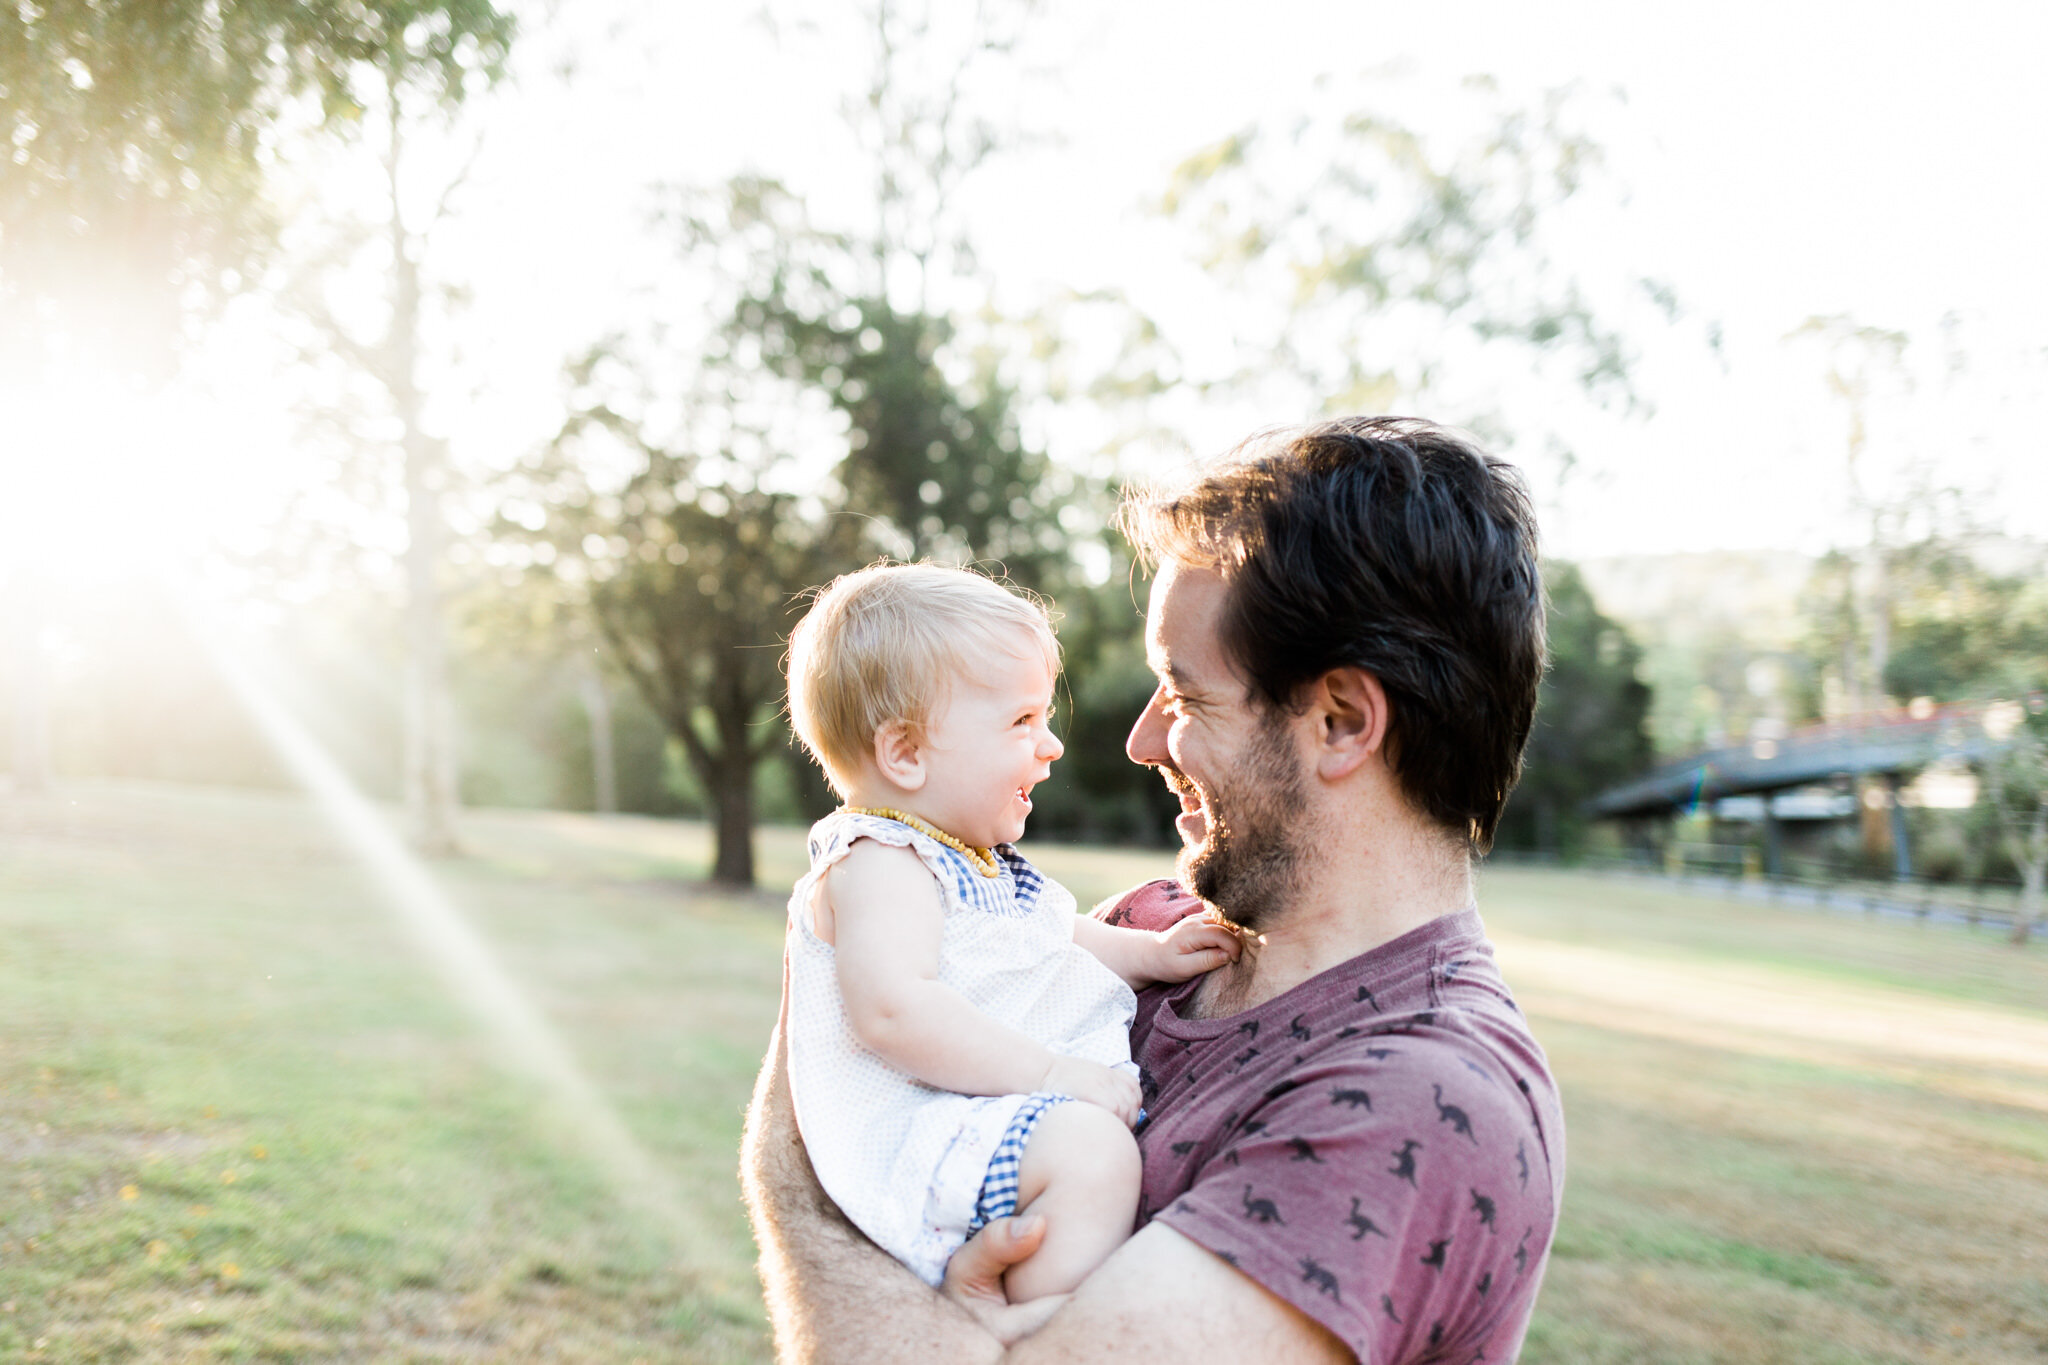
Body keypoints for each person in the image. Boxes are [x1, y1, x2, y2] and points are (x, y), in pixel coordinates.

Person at [743, 417, 1566, 1364]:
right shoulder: (1150, 926)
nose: (1138, 743)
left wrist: (796, 1165)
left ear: (1341, 721)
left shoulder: (1417, 1099)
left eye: (1182, 696)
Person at [778, 564, 1244, 1299]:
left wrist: (1147, 954)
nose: (1050, 743)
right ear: (904, 752)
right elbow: (892, 1010)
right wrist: (1055, 1075)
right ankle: (1035, 1326)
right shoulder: (881, 862)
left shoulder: (971, 863)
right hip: (917, 1136)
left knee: (1093, 1151)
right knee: (1095, 1156)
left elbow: (1050, 938)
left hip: (975, 1117)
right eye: (1021, 722)